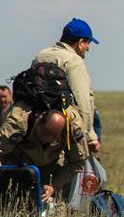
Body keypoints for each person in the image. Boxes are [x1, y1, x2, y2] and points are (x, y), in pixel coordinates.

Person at [0, 106, 90, 206]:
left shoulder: (73, 126)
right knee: (14, 208)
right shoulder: (19, 122)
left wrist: (53, 186)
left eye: (52, 137)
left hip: (52, 167)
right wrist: (8, 182)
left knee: (55, 211)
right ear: (39, 120)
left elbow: (77, 162)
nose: (45, 140)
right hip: (17, 167)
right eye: (43, 133)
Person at [33, 17, 101, 154]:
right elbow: (82, 100)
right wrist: (89, 135)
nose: (87, 49)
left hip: (38, 127)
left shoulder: (41, 55)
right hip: (66, 130)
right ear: (81, 42)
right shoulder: (74, 61)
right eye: (88, 44)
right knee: (88, 171)